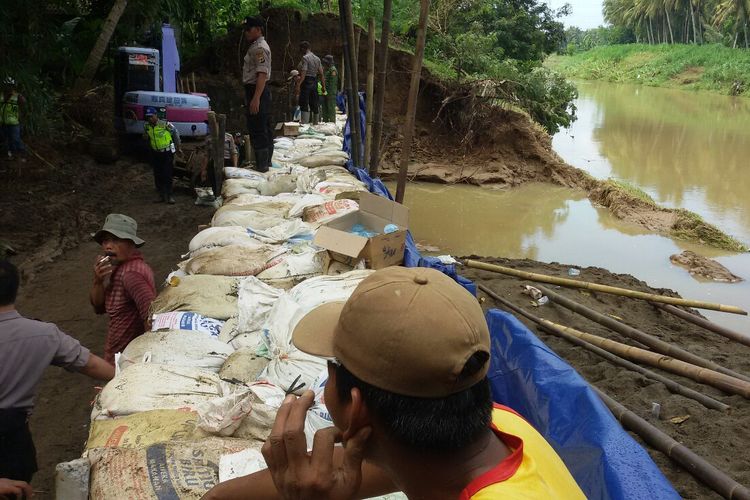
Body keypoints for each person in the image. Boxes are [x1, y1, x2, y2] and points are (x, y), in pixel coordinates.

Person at [202, 267, 586, 499]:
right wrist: (219, 495)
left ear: (354, 408)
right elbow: (369, 465)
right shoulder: (498, 428)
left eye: (330, 369)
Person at [1, 260, 115, 484]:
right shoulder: (44, 334)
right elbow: (91, 365)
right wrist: (127, 377)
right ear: (15, 288)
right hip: (13, 440)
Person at [89, 214, 156, 364]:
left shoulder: (131, 275)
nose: (108, 246)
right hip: (119, 355)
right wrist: (97, 281)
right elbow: (98, 307)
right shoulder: (118, 269)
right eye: (105, 240)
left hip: (129, 359)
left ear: (131, 244)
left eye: (116, 240)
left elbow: (150, 316)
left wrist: (147, 357)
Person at [242, 16, 273, 173]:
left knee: (258, 127)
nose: (246, 32)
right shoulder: (256, 46)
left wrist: (256, 98)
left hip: (257, 90)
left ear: (258, 29)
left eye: (249, 29)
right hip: (257, 90)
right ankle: (265, 163)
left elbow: (261, 74)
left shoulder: (260, 48)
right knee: (263, 126)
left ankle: (263, 165)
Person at [143, 108, 182, 204]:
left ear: (156, 115)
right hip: (155, 153)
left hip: (167, 152)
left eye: (151, 116)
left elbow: (175, 133)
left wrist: (178, 147)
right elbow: (146, 137)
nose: (150, 119)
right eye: (148, 117)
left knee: (167, 173)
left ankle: (169, 195)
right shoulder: (147, 126)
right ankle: (161, 195)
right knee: (157, 174)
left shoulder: (163, 124)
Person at [295, 41, 325, 125]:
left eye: (301, 49)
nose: (300, 51)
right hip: (314, 82)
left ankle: (304, 124)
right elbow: (322, 74)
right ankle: (316, 123)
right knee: (314, 103)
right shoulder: (317, 59)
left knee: (304, 103)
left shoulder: (305, 58)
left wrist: (298, 84)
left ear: (304, 48)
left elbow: (303, 73)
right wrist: (323, 86)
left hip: (306, 82)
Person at [1, 77, 27, 161]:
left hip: (14, 123)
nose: (8, 87)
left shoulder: (17, 96)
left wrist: (21, 120)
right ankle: (10, 154)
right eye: (7, 85)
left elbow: (23, 105)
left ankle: (22, 154)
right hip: (2, 122)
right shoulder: (1, 95)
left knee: (15, 139)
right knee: (6, 139)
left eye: (10, 85)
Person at [321, 55, 339, 123]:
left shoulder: (333, 70)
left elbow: (332, 84)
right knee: (325, 108)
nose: (325, 64)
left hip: (331, 93)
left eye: (326, 62)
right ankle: (326, 123)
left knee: (331, 109)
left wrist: (329, 94)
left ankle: (332, 123)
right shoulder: (328, 70)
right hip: (326, 92)